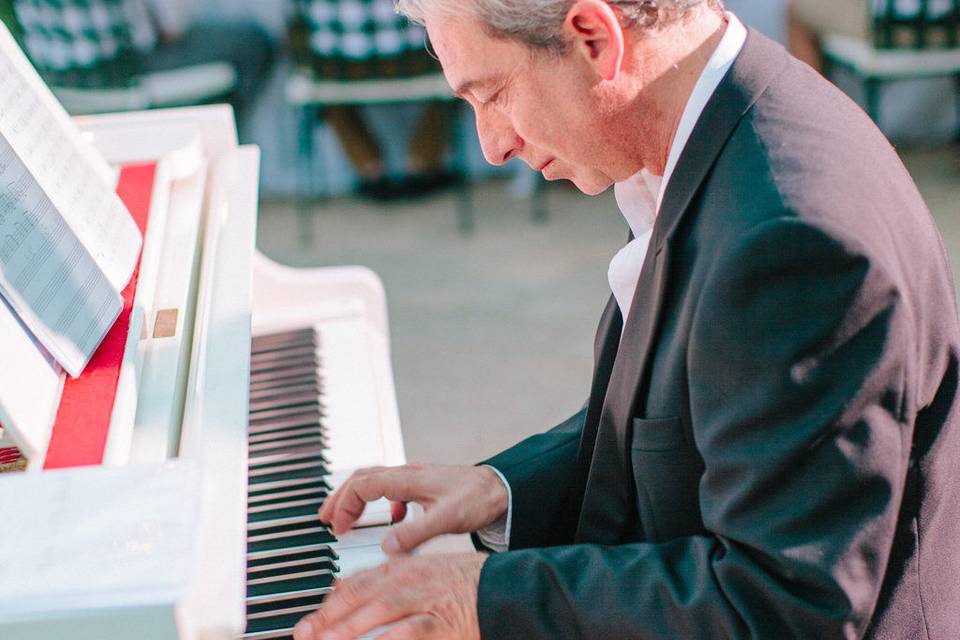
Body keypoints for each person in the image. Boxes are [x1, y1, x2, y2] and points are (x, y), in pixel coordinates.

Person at [294, 0, 960, 638]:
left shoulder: (791, 239)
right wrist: (503, 488)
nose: (493, 146)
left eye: (492, 95)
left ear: (594, 38)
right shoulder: (727, 127)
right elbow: (701, 415)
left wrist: (480, 598)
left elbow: (779, 605)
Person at [10, 0, 275, 134]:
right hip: (122, 75)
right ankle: (218, 162)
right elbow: (173, 27)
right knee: (254, 43)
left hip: (53, 84)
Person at [289, 0, 456, 200]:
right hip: (413, 59)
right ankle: (423, 159)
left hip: (335, 66)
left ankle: (368, 166)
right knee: (461, 71)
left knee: (320, 76)